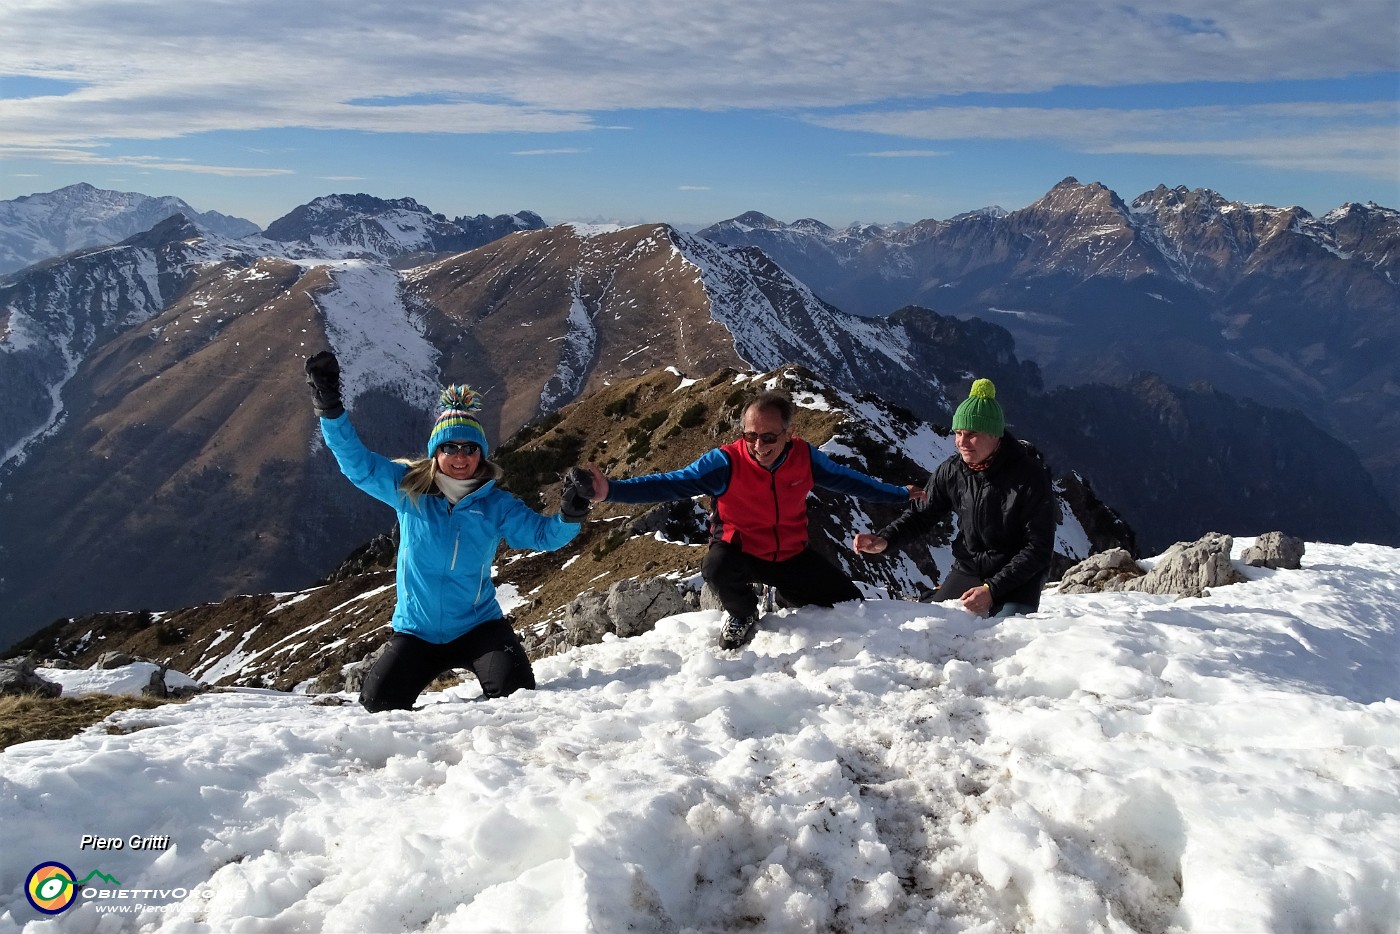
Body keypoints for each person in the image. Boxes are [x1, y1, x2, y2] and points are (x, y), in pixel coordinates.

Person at [304, 350, 587, 711]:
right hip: (415, 633)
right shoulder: (408, 489)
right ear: (435, 453)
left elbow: (545, 535)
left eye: (469, 448)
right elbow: (357, 464)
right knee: (378, 706)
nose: (460, 456)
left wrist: (570, 514)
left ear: (481, 455)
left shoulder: (494, 505)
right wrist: (330, 409)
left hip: (478, 628)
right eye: (449, 447)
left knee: (517, 695)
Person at [566, 389, 925, 649]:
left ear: (789, 434)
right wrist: (610, 491)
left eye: (769, 436)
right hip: (740, 551)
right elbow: (671, 483)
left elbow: (849, 480)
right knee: (716, 565)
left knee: (849, 606)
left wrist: (898, 494)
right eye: (750, 435)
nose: (758, 444)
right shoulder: (726, 463)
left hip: (791, 554)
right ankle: (741, 612)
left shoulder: (805, 458)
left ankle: (788, 595)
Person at [851, 378, 1055, 618]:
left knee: (1004, 634)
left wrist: (992, 589)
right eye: (958, 433)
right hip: (971, 567)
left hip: (1019, 576)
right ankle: (937, 595)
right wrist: (884, 540)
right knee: (937, 621)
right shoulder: (952, 470)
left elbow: (1038, 548)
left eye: (971, 434)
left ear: (995, 435)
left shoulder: (1029, 476)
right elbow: (922, 514)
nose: (961, 442)